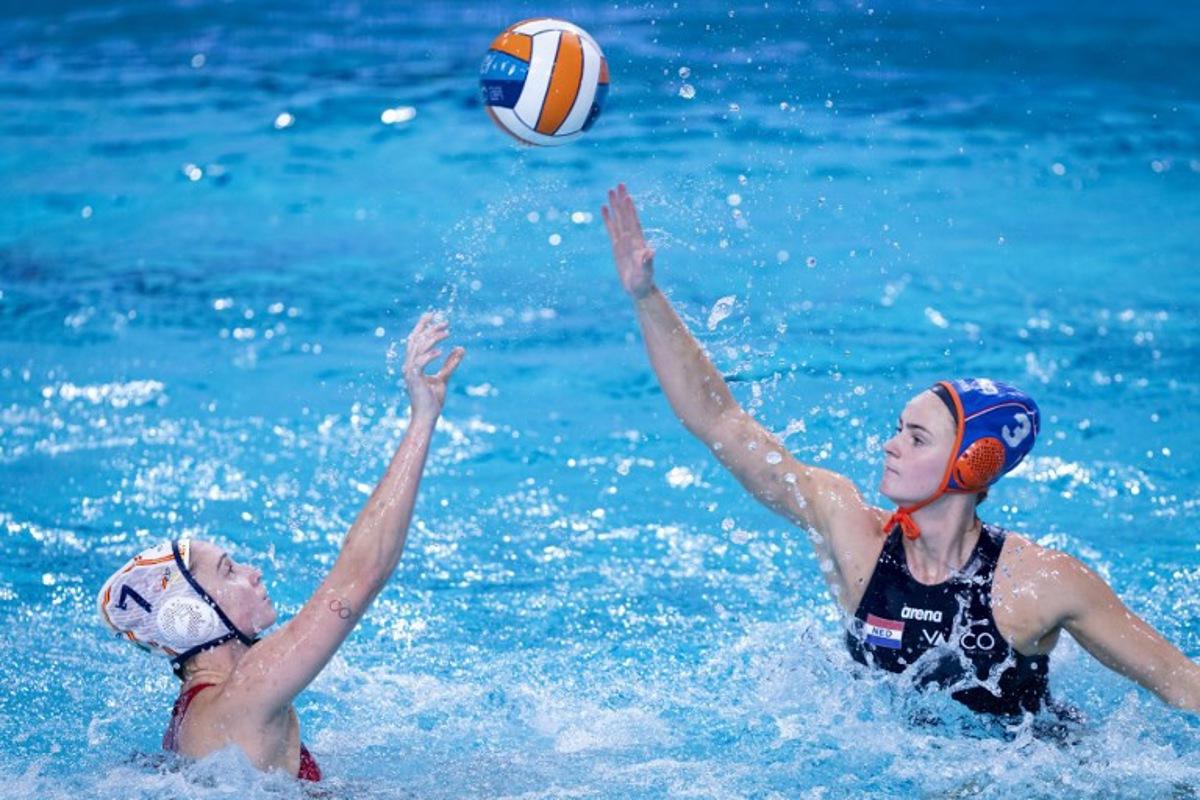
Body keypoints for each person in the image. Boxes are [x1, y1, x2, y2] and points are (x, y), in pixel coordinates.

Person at [601, 183, 1200, 717]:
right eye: (898, 429)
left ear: (973, 463)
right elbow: (721, 422)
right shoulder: (852, 532)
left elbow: (1181, 685)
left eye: (916, 438)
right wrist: (646, 297)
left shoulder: (1039, 584)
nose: (889, 445)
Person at [97, 313, 464, 780]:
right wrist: (422, 419)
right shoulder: (246, 693)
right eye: (229, 571)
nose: (253, 572)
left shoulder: (198, 712)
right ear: (194, 617)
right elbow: (362, 574)